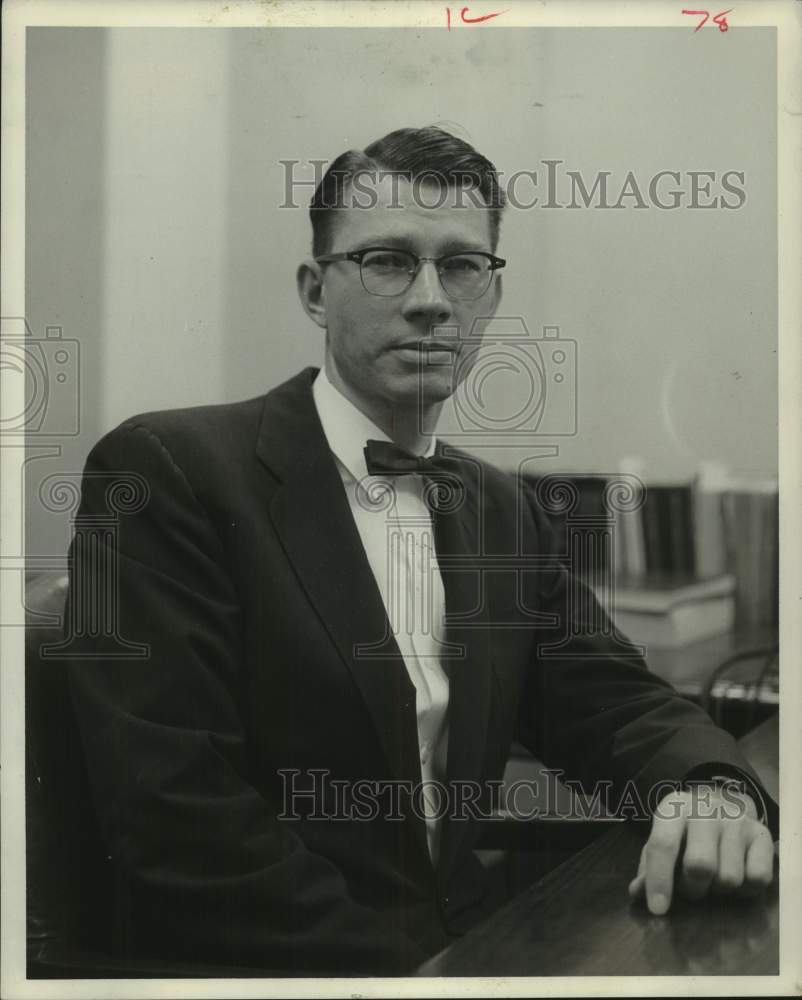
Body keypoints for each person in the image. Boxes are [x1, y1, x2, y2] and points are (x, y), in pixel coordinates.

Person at [64, 126, 777, 976]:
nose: (432, 299)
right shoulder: (170, 473)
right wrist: (428, 974)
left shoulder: (504, 508)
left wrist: (713, 787)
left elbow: (613, 703)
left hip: (461, 945)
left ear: (489, 292)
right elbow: (175, 817)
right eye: (389, 261)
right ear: (314, 291)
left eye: (462, 265)